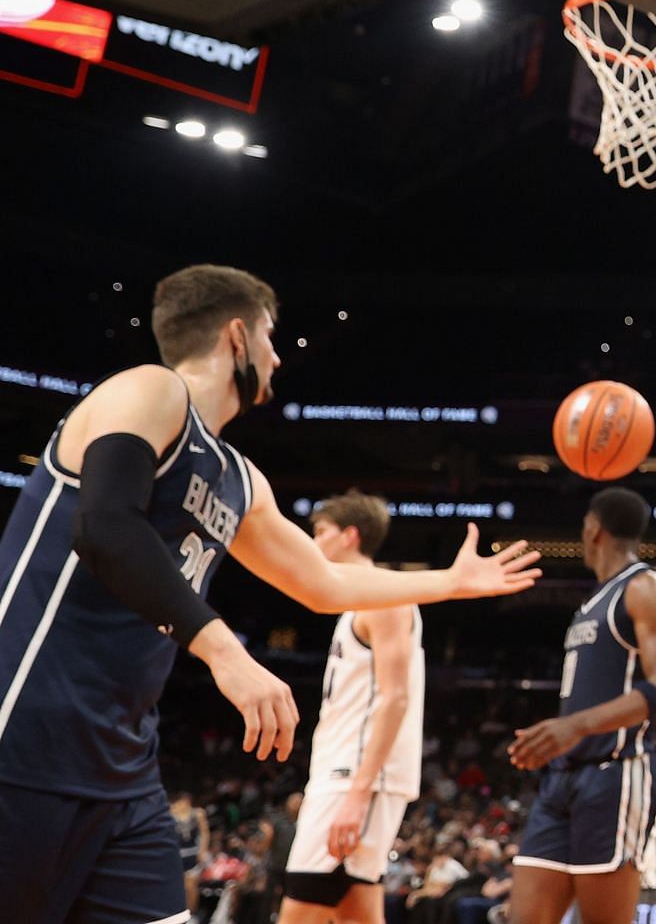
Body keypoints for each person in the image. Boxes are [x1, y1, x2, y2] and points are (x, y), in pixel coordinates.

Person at [0, 263, 542, 924]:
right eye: (269, 337)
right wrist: (226, 652)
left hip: (123, 770)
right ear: (236, 337)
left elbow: (325, 583)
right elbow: (107, 527)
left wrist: (450, 583)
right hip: (24, 737)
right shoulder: (148, 390)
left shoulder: (239, 478)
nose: (278, 356)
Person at [507, 487, 656, 924]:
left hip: (615, 774)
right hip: (562, 779)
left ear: (593, 529)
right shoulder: (592, 602)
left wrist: (576, 726)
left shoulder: (647, 588)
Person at [279, 492, 427, 924]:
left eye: (320, 532)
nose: (314, 542)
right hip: (343, 771)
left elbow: (395, 697)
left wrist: (358, 792)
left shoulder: (386, 596)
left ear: (350, 536)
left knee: (299, 912)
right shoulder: (358, 601)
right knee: (355, 913)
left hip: (356, 778)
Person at [172, 790, 211, 916]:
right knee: (177, 887)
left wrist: (203, 850)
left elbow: (204, 833)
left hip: (192, 853)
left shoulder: (198, 813)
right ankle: (178, 914)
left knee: (191, 886)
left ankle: (192, 915)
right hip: (176, 855)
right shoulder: (170, 813)